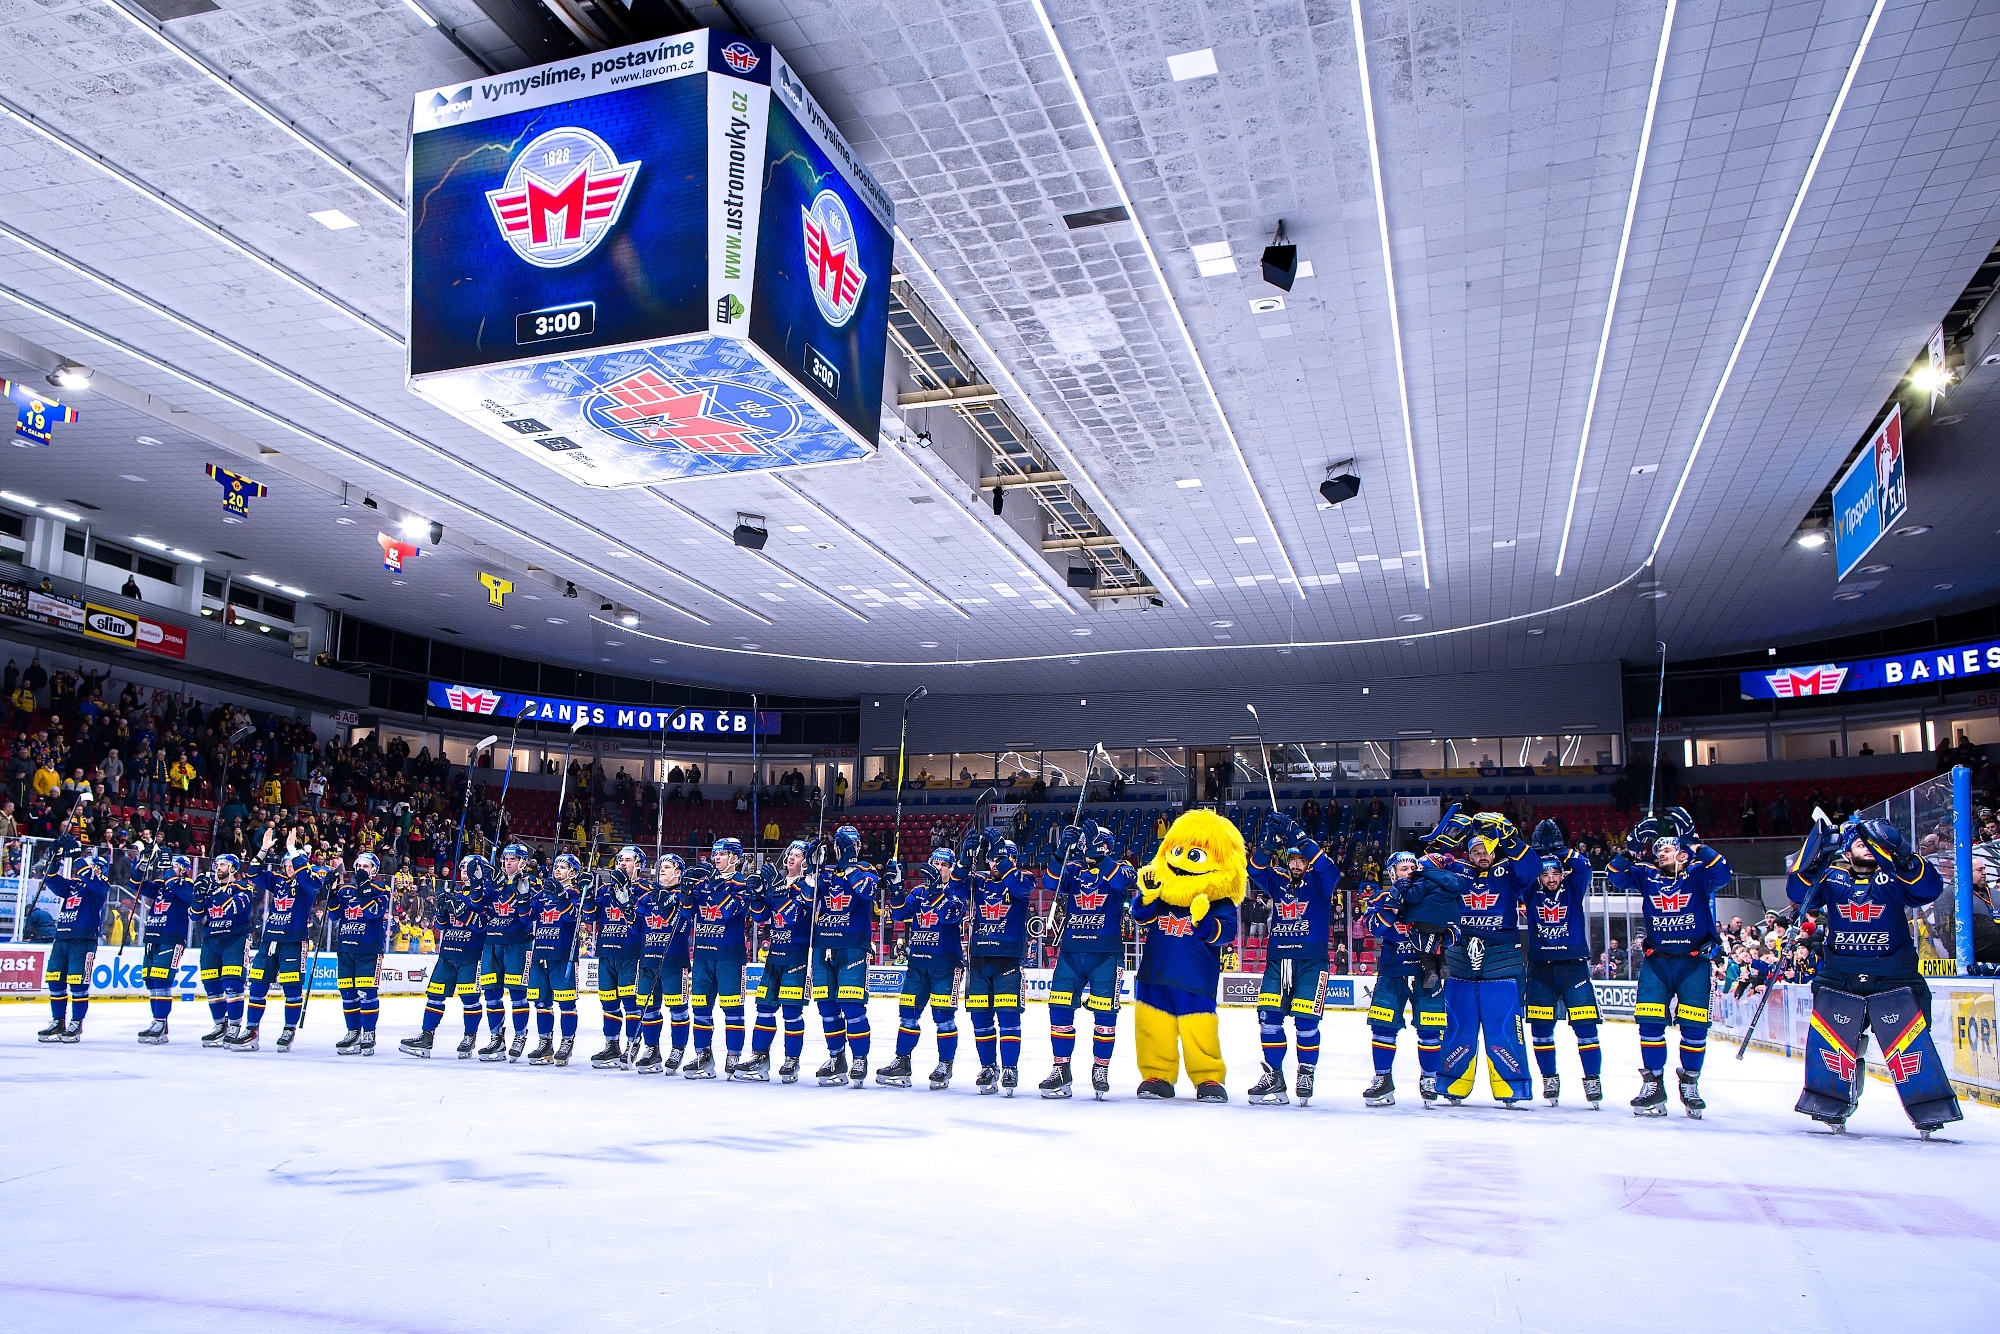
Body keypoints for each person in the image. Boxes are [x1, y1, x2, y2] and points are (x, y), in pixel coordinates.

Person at [1788, 818, 1962, 1136]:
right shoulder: (1831, 876)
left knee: (1912, 1046)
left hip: (1895, 976)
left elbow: (1930, 890)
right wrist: (1812, 859)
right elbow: (1798, 894)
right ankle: (1832, 1099)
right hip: (1840, 976)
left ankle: (1929, 1106)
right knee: (1835, 1045)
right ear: (1847, 852)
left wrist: (1905, 855)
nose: (1867, 849)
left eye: (1872, 844)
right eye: (1860, 844)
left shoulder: (1895, 875)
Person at [1606, 807, 1730, 1117]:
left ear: (1683, 855)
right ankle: (1653, 1084)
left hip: (1693, 964)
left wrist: (1695, 842)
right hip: (1657, 963)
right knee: (1649, 1024)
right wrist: (1631, 847)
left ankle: (1690, 1083)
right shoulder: (1646, 875)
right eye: (1657, 848)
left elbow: (1723, 873)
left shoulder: (1698, 874)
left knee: (1694, 1027)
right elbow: (1615, 876)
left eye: (1667, 848)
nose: (1659, 852)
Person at [1130, 809, 1246, 1102]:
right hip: (1154, 975)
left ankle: (1208, 1077)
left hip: (1195, 980)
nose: (1180, 861)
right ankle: (1157, 1075)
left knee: (1199, 1031)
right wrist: (1147, 896)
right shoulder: (1162, 894)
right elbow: (1140, 917)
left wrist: (1203, 921)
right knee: (1152, 1029)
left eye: (1193, 855)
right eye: (1177, 851)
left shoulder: (1219, 901)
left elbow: (1225, 933)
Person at [1433, 809, 1537, 1106]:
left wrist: (1510, 838)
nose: (1482, 856)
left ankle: (1512, 1087)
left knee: (1503, 1026)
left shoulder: (1508, 870)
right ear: (1469, 853)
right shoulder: (1457, 870)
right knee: (1458, 1026)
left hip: (1501, 957)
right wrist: (1443, 839)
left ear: (1494, 851)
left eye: (1486, 851)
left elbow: (1532, 868)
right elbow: (1424, 868)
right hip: (1460, 957)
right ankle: (1452, 1084)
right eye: (1476, 851)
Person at [1244, 816, 1340, 1107]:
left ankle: (1306, 1073)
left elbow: (1331, 870)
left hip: (1311, 962)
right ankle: (1274, 1074)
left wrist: (1300, 837)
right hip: (1278, 962)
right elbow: (1254, 870)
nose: (1297, 865)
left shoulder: (1320, 883)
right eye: (1293, 860)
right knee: (1268, 1017)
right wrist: (1267, 847)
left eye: (1302, 860)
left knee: (1306, 1021)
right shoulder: (1279, 881)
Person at [1037, 820, 1136, 1100]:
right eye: (1085, 845)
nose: (1087, 849)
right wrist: (1060, 853)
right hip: (1071, 953)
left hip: (1105, 954)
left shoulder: (1121, 867)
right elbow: (1049, 883)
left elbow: (1122, 882)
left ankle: (1100, 1069)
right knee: (1059, 1009)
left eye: (1095, 845)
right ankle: (1061, 1069)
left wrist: (1101, 858)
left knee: (1105, 1015)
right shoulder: (1073, 869)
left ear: (1106, 847)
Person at [1360, 852, 1460, 1105]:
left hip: (1427, 973)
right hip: (1392, 971)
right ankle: (1383, 1079)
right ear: (1392, 873)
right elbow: (1372, 928)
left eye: (1413, 867)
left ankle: (1429, 1079)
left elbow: (1457, 929)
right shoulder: (1382, 898)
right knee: (1383, 1026)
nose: (1410, 871)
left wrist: (1442, 939)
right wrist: (1393, 907)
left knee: (1430, 1027)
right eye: (1404, 868)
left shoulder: (1434, 892)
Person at [1523, 821, 1604, 1107]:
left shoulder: (1573, 887)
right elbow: (1518, 871)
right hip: (1540, 970)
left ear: (1562, 874)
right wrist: (1534, 854)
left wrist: (1560, 850)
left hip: (1574, 969)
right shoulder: (1530, 891)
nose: (1551, 878)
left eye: (1555, 873)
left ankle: (1592, 1079)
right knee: (1541, 1029)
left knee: (1586, 1027)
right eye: (1545, 873)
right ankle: (1549, 1079)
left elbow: (1584, 867)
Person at [881, 844, 968, 1089]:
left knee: (943, 1017)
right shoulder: (919, 891)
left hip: (946, 965)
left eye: (944, 865)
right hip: (917, 965)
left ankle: (945, 1064)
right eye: (935, 864)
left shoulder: (957, 891)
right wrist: (896, 889)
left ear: (951, 869)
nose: (938, 868)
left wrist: (937, 891)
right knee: (907, 1014)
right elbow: (899, 915)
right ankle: (902, 1061)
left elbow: (952, 916)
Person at [230, 846, 325, 1052]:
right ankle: (252, 1030)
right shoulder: (279, 881)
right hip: (270, 940)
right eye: (287, 865)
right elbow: (253, 874)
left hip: (293, 941)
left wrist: (295, 853)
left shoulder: (309, 880)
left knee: (291, 988)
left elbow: (311, 882)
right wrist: (263, 850)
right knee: (257, 984)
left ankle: (289, 1029)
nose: (289, 868)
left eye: (293, 865)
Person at [400, 859, 489, 1058]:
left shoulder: (485, 896)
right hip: (447, 953)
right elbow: (441, 926)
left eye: (471, 867)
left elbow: (481, 925)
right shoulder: (455, 892)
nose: (465, 870)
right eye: (463, 866)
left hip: (471, 955)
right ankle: (426, 1036)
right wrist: (440, 911)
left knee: (470, 998)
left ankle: (469, 1037)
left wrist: (462, 911)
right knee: (434, 995)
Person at [811, 823, 879, 1087]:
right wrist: (812, 865)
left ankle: (860, 1058)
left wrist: (850, 866)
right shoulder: (826, 873)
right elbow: (808, 898)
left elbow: (867, 892)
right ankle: (836, 1057)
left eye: (853, 845)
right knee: (827, 1007)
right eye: (844, 845)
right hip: (823, 945)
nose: (849, 849)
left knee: (852, 1006)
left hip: (853, 946)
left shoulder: (866, 870)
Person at [740, 841, 812, 1082]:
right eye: (790, 854)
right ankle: (759, 1056)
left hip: (797, 955)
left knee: (791, 1010)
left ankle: (792, 1059)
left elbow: (795, 915)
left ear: (806, 860)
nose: (791, 858)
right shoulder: (777, 883)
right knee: (764, 1007)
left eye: (798, 855)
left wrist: (778, 890)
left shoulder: (808, 885)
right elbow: (761, 917)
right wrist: (757, 896)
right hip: (775, 954)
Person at [966, 831, 1032, 1095]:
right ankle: (988, 1067)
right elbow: (956, 884)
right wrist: (964, 857)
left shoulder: (1023, 878)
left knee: (1008, 1017)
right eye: (992, 858)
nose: (994, 863)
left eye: (1000, 858)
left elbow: (1020, 889)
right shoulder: (980, 882)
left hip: (1008, 959)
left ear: (1012, 860)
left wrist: (1002, 858)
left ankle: (1010, 1068)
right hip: (979, 959)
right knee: (980, 1018)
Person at [685, 839, 750, 1078]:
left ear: (735, 858)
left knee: (732, 1009)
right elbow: (686, 913)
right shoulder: (703, 883)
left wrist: (714, 884)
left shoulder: (743, 884)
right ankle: (703, 1054)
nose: (716, 858)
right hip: (702, 955)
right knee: (700, 1007)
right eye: (715, 854)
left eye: (722, 854)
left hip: (729, 956)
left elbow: (729, 910)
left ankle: (733, 1055)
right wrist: (686, 890)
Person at [37, 850, 111, 1043]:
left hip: (83, 939)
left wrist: (78, 858)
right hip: (62, 936)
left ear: (99, 869)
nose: (86, 868)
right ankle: (58, 1021)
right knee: (55, 979)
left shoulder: (101, 885)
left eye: (91, 865)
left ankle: (76, 1023)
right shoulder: (74, 885)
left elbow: (91, 880)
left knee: (78, 983)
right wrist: (54, 860)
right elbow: (52, 880)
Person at [582, 846, 643, 1069]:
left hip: (631, 953)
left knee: (631, 1002)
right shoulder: (605, 889)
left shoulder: (644, 890)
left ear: (638, 864)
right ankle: (611, 1045)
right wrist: (587, 893)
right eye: (619, 860)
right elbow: (590, 916)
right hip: (606, 951)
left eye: (627, 860)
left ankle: (632, 1044)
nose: (622, 864)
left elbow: (642, 920)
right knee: (608, 1002)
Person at [635, 854, 695, 1074]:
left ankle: (678, 1049)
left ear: (678, 872)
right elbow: (636, 929)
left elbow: (683, 924)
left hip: (674, 960)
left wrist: (666, 906)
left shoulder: (684, 895)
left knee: (678, 1009)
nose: (662, 869)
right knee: (648, 1008)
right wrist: (626, 908)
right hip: (648, 960)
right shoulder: (647, 897)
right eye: (661, 866)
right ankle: (652, 1050)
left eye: (667, 867)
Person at [477, 843, 536, 1061]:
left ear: (523, 861)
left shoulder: (532, 883)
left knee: (517, 993)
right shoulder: (494, 882)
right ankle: (496, 1038)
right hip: (491, 942)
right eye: (505, 859)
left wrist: (517, 892)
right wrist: (479, 884)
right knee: (491, 993)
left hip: (518, 944)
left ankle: (520, 1035)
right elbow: (479, 906)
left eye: (512, 859)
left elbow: (527, 918)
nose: (507, 862)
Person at [133, 851, 199, 1044]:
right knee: (151, 981)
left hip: (171, 938)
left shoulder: (188, 884)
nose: (170, 869)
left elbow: (188, 896)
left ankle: (160, 1022)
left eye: (174, 866)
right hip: (152, 936)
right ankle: (158, 1021)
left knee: (162, 980)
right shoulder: (162, 886)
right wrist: (142, 865)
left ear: (184, 869)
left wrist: (169, 874)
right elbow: (136, 885)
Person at [525, 853, 582, 1067]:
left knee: (566, 1002)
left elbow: (572, 917)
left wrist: (561, 896)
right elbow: (526, 916)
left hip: (563, 955)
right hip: (540, 952)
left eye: (563, 867)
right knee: (541, 1002)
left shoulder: (577, 893)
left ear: (573, 872)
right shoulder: (542, 894)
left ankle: (566, 1042)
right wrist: (522, 896)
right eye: (556, 866)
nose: (557, 869)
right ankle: (545, 1043)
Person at [196, 853, 257, 1049]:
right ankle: (219, 1025)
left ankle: (234, 1026)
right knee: (211, 985)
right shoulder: (211, 889)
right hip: (210, 940)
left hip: (234, 939)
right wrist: (198, 895)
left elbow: (234, 908)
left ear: (232, 868)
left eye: (222, 864)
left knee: (232, 983)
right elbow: (194, 915)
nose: (218, 868)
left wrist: (216, 892)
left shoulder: (243, 887)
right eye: (217, 864)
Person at [332, 852, 390, 1054]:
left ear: (374, 870)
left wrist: (364, 889)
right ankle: (353, 1032)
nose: (361, 870)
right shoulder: (346, 890)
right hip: (346, 947)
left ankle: (369, 1034)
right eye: (359, 866)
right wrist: (330, 893)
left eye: (366, 866)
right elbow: (334, 915)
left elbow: (373, 912)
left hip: (368, 948)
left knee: (367, 993)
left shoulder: (381, 889)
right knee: (348, 993)